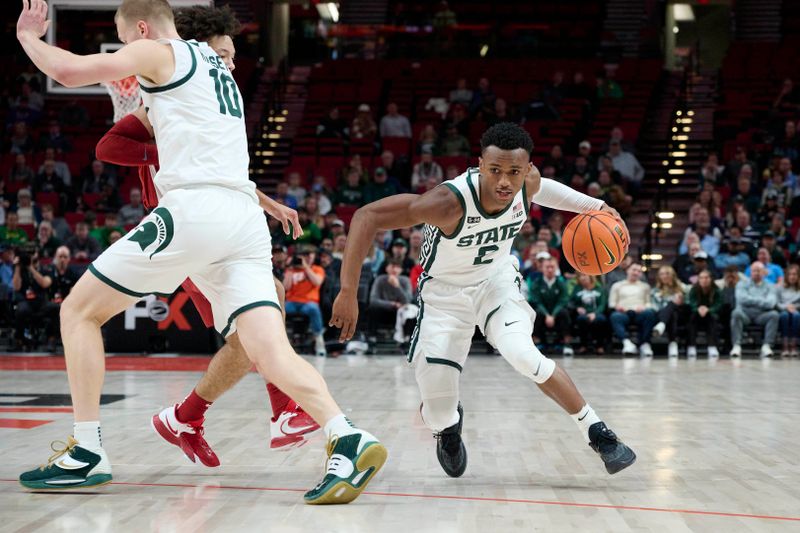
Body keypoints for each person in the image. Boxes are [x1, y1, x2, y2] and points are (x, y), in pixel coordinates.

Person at [16, 0, 385, 502]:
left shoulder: (159, 50)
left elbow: (67, 69)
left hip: (196, 212)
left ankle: (86, 451)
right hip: (244, 221)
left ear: (142, 29)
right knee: (268, 351)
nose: (130, 51)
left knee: (78, 312)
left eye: (128, 40)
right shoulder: (221, 69)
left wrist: (28, 37)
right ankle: (346, 436)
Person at [331, 123, 635, 478]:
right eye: (495, 171)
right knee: (438, 410)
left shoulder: (528, 183)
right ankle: (448, 425)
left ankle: (598, 433)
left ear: (526, 169)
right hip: (443, 296)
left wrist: (596, 205)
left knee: (525, 356)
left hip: (496, 283)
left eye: (514, 172)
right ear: (479, 164)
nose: (505, 182)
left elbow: (543, 189)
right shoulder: (446, 203)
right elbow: (367, 216)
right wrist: (348, 290)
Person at [94, 5, 321, 456]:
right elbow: (108, 146)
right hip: (183, 230)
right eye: (225, 53)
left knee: (257, 323)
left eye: (234, 55)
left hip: (209, 223)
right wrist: (164, 155)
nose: (232, 63)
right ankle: (269, 413)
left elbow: (219, 174)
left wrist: (268, 201)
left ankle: (189, 417)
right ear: (198, 49)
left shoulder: (203, 99)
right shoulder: (164, 98)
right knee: (258, 324)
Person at [730, 262, 779, 358]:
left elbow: (771, 303)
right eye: (754, 271)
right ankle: (736, 345)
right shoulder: (741, 284)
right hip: (745, 314)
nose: (756, 273)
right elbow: (742, 299)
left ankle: (767, 346)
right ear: (750, 272)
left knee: (774, 314)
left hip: (761, 315)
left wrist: (751, 300)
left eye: (759, 270)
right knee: (736, 313)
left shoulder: (770, 286)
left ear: (764, 272)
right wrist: (761, 301)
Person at [284, 245, 327, 356]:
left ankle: (319, 341)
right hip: (292, 302)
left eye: (309, 255)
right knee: (278, 310)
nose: (306, 257)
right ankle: (281, 341)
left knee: (313, 309)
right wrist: (289, 268)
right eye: (304, 255)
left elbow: (317, 282)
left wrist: (306, 267)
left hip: (309, 302)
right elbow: (286, 287)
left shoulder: (318, 269)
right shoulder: (292, 270)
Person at [608, 263, 657, 357]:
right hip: (623, 312)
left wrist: (644, 307)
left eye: (639, 271)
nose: (636, 273)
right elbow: (612, 303)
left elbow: (649, 303)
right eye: (634, 270)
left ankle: (644, 344)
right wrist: (617, 306)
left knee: (649, 314)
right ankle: (627, 343)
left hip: (640, 312)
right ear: (628, 270)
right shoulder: (617, 285)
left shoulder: (645, 286)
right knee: (615, 316)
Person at [529, 257, 573, 355]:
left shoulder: (561, 283)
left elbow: (562, 301)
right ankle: (537, 342)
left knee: (564, 312)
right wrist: (547, 315)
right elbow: (537, 301)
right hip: (543, 313)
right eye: (547, 267)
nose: (550, 269)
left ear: (556, 268)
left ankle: (566, 344)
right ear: (542, 268)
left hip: (556, 313)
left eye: (552, 267)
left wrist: (553, 315)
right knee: (536, 313)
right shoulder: (537, 283)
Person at [368, 258, 417, 343]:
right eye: (392, 266)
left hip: (400, 312)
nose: (394, 269)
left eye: (397, 267)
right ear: (387, 268)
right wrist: (392, 304)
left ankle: (407, 339)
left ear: (401, 270)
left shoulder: (405, 280)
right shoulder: (380, 279)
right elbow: (373, 300)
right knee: (372, 309)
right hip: (384, 310)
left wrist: (397, 286)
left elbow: (408, 301)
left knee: (411, 311)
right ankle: (372, 338)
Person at [651, 266, 686, 359]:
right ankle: (673, 344)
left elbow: (689, 302)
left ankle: (661, 325)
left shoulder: (682, 288)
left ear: (672, 275)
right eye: (662, 274)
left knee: (673, 308)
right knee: (671, 314)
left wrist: (682, 300)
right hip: (662, 315)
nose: (664, 276)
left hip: (682, 315)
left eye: (667, 274)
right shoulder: (655, 290)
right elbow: (655, 307)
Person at [686, 270, 721, 359]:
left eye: (706, 278)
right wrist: (698, 309)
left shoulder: (717, 290)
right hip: (697, 314)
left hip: (710, 314)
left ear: (711, 279)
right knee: (692, 318)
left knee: (712, 318)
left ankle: (712, 346)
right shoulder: (694, 289)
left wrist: (709, 309)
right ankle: (691, 346)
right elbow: (691, 302)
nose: (704, 280)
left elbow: (719, 304)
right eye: (701, 278)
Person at [569, 274, 608, 354]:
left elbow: (602, 304)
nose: (582, 277)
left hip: (596, 312)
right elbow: (570, 302)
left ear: (591, 277)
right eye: (580, 276)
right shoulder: (577, 288)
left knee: (601, 320)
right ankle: (583, 345)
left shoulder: (599, 289)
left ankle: (599, 346)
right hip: (582, 314)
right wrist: (577, 308)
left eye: (584, 276)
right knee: (581, 319)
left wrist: (595, 313)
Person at [777, 264, 800, 357]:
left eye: (795, 274)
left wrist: (795, 307)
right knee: (784, 316)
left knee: (796, 316)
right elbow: (776, 302)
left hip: (796, 310)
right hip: (783, 310)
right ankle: (785, 346)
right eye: (790, 274)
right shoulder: (779, 287)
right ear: (786, 275)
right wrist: (786, 307)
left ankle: (793, 346)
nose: (792, 277)